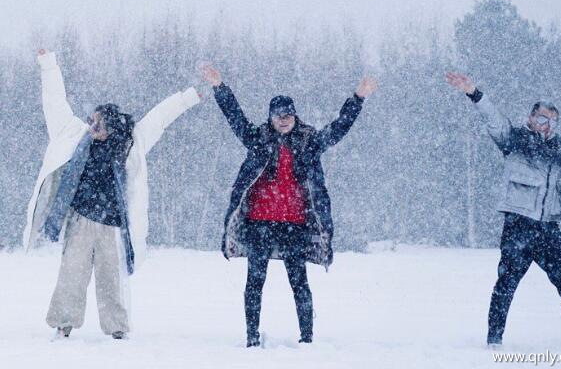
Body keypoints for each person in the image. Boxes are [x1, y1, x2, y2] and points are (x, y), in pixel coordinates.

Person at [24, 49, 202, 339]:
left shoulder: (130, 144)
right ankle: (63, 324)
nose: (90, 125)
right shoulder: (74, 136)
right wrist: (48, 65)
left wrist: (187, 98)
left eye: (97, 122)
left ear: (110, 124)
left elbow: (159, 118)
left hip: (113, 226)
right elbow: (55, 103)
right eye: (90, 120)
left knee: (112, 280)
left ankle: (117, 329)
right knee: (71, 274)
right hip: (80, 221)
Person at [201, 65, 377, 347]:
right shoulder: (259, 139)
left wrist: (357, 98)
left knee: (299, 283)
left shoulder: (309, 142)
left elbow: (338, 127)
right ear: (270, 118)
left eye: (288, 115)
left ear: (295, 115)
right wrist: (220, 87)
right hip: (259, 223)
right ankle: (251, 337)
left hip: (294, 224)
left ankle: (307, 337)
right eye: (278, 116)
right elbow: (235, 117)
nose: (283, 120)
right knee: (255, 282)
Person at [446, 70, 561, 351]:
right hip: (519, 227)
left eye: (553, 121)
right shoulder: (515, 141)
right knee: (507, 283)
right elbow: (494, 120)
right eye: (541, 119)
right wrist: (473, 92)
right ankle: (494, 341)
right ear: (530, 119)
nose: (547, 125)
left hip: (549, 229)